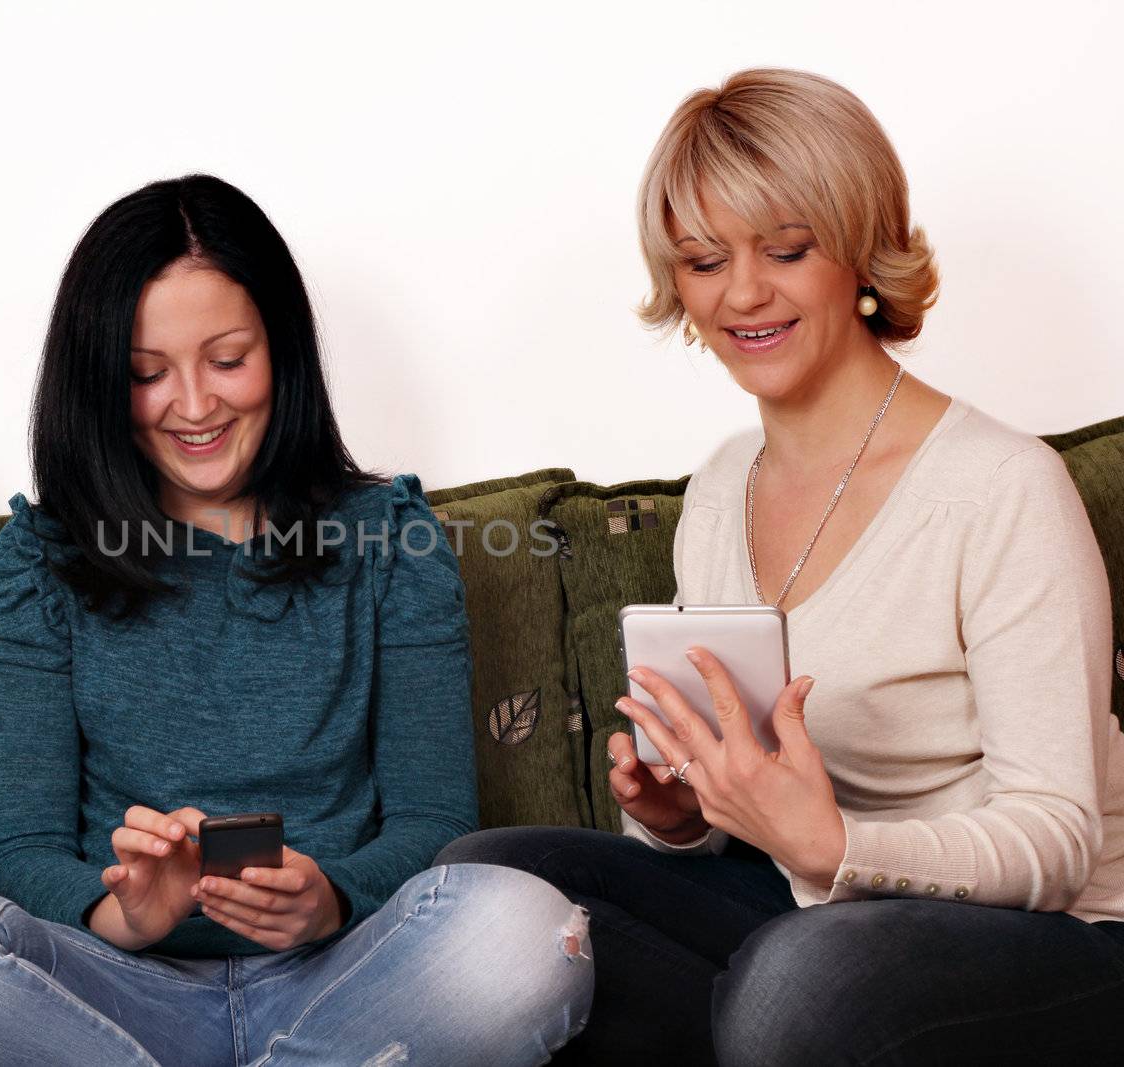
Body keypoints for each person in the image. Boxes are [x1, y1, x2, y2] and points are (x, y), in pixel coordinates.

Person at [0, 174, 592, 1066]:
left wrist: (330, 899)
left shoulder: (392, 539)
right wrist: (129, 912)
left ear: (283, 350)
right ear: (103, 381)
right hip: (111, 991)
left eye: (227, 359)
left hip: (346, 976)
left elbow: (435, 826)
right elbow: (19, 854)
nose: (193, 406)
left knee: (527, 927)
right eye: (148, 374)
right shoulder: (38, 561)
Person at [438, 68, 1123, 1064]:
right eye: (706, 260)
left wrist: (838, 849)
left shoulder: (1002, 487)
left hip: (1054, 937)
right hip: (810, 910)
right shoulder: (718, 489)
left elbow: (1056, 839)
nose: (743, 293)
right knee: (489, 888)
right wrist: (677, 818)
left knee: (798, 981)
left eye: (786, 250)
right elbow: (740, 825)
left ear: (858, 252)